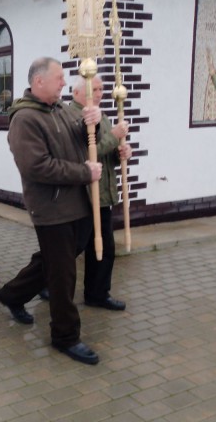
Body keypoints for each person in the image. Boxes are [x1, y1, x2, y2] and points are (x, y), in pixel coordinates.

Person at [0, 57, 103, 365]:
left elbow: (81, 142)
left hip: (76, 204)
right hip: (51, 208)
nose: (64, 83)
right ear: (38, 81)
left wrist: (88, 123)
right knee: (63, 274)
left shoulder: (60, 111)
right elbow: (36, 166)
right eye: (59, 78)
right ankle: (65, 336)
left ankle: (12, 294)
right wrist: (84, 172)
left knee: (55, 262)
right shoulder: (25, 119)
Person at [71, 75, 131, 310]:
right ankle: (41, 283)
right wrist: (114, 137)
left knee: (105, 248)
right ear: (77, 92)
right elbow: (87, 153)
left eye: (101, 88)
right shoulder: (75, 116)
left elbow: (106, 154)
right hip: (83, 195)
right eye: (93, 89)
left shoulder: (102, 115)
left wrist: (121, 152)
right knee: (71, 248)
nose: (99, 93)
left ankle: (97, 293)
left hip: (103, 193)